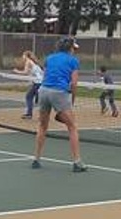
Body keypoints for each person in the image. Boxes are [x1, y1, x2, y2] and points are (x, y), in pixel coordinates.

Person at [32, 36, 86, 172]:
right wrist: (71, 101)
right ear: (69, 48)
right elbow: (73, 84)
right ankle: (77, 162)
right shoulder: (73, 61)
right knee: (72, 126)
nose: (74, 50)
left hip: (43, 91)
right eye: (74, 48)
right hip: (59, 93)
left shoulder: (50, 58)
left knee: (42, 126)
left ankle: (36, 159)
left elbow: (45, 77)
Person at [13, 50, 43, 119]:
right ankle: (35, 114)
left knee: (29, 97)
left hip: (38, 83)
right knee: (33, 97)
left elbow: (25, 72)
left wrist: (16, 71)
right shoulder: (35, 63)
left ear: (26, 56)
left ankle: (30, 114)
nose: (22, 57)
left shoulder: (28, 62)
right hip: (39, 82)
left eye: (23, 55)